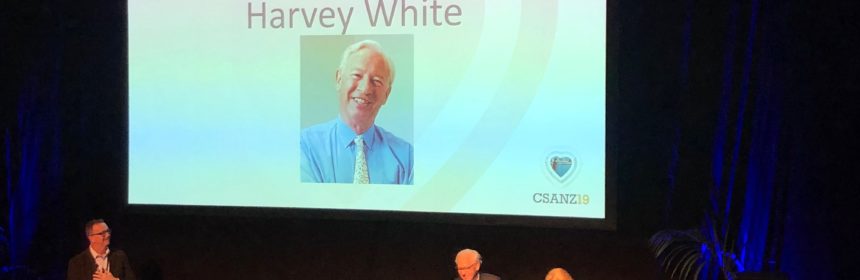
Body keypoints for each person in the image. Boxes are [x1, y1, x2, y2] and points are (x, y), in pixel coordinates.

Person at [300, 39, 414, 184]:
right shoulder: (305, 147)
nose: (365, 88)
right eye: (357, 75)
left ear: (387, 94)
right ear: (339, 79)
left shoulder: (407, 158)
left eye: (377, 81)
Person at [67, 219, 135, 280]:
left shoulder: (120, 256)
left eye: (108, 231)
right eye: (102, 233)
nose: (108, 235)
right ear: (91, 238)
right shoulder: (76, 262)